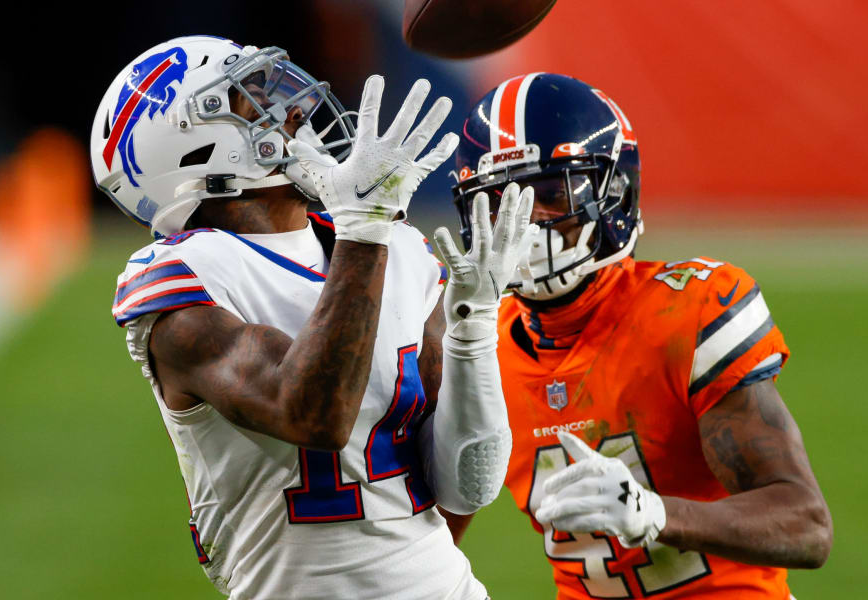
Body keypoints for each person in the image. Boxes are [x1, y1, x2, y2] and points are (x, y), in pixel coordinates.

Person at [90, 35, 536, 599]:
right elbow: (311, 415)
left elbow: (464, 487)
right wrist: (364, 227)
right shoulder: (185, 274)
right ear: (193, 149)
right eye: (254, 103)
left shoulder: (397, 248)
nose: (296, 112)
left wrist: (474, 335)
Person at [443, 73, 832, 598]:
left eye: (552, 195)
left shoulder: (685, 310)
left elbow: (806, 525)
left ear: (614, 193)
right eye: (498, 201)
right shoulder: (469, 342)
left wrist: (653, 512)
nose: (526, 224)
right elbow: (432, 540)